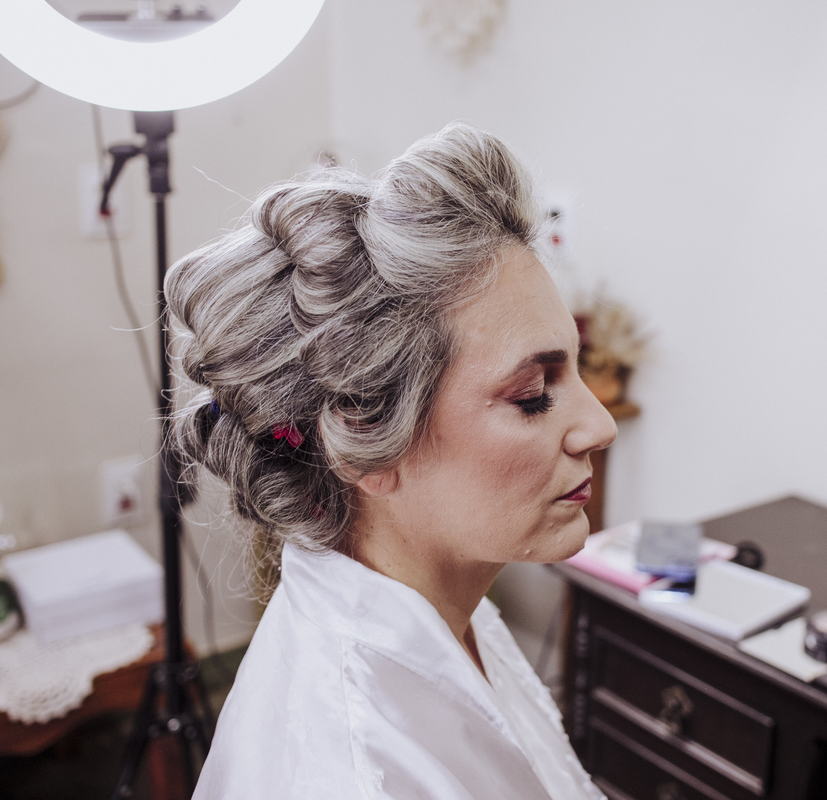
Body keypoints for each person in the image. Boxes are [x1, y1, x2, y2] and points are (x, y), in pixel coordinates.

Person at [167, 123, 617, 799]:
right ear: (363, 439)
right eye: (531, 395)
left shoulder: (446, 605)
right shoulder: (352, 774)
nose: (600, 426)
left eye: (577, 369)